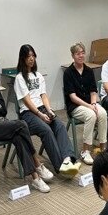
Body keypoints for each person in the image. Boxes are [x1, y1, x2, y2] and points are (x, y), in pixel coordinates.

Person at [0, 54, 52, 193]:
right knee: (21, 124)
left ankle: (35, 179)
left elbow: (3, 110)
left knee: (19, 137)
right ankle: (37, 163)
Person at [14, 44, 81, 177]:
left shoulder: (38, 75)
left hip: (42, 109)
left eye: (33, 56)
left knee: (60, 125)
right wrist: (39, 114)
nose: (31, 59)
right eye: (28, 56)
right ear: (23, 59)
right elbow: (27, 101)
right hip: (28, 113)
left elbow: (43, 95)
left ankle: (69, 159)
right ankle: (60, 166)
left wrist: (49, 110)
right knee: (46, 129)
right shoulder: (19, 78)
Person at [63, 42, 107, 165]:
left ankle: (103, 148)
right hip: (75, 106)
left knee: (102, 113)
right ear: (73, 56)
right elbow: (72, 97)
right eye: (78, 53)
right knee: (91, 115)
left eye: (83, 53)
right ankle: (85, 150)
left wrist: (93, 104)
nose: (81, 56)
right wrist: (89, 106)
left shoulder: (88, 71)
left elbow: (93, 91)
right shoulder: (68, 73)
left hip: (89, 103)